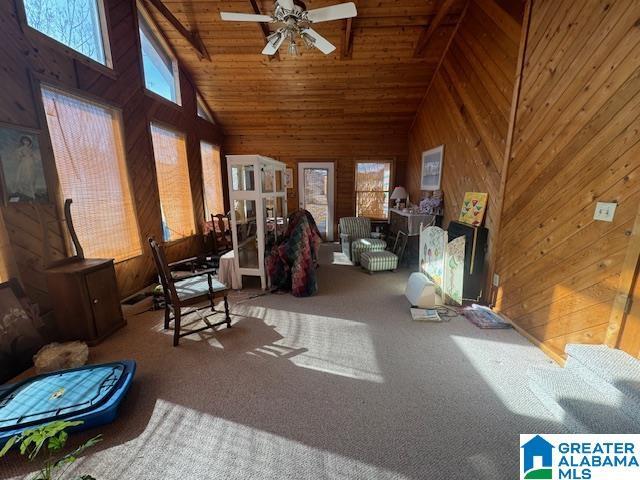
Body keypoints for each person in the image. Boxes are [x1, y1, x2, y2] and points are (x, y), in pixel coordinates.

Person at [14, 136, 37, 200]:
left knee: (32, 177)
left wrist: (32, 158)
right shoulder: (21, 149)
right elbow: (18, 156)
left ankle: (31, 192)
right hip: (24, 164)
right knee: (25, 176)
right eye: (25, 141)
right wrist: (22, 157)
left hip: (30, 164)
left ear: (29, 142)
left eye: (27, 141)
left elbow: (33, 157)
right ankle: (24, 191)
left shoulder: (30, 150)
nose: (26, 142)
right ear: (23, 141)